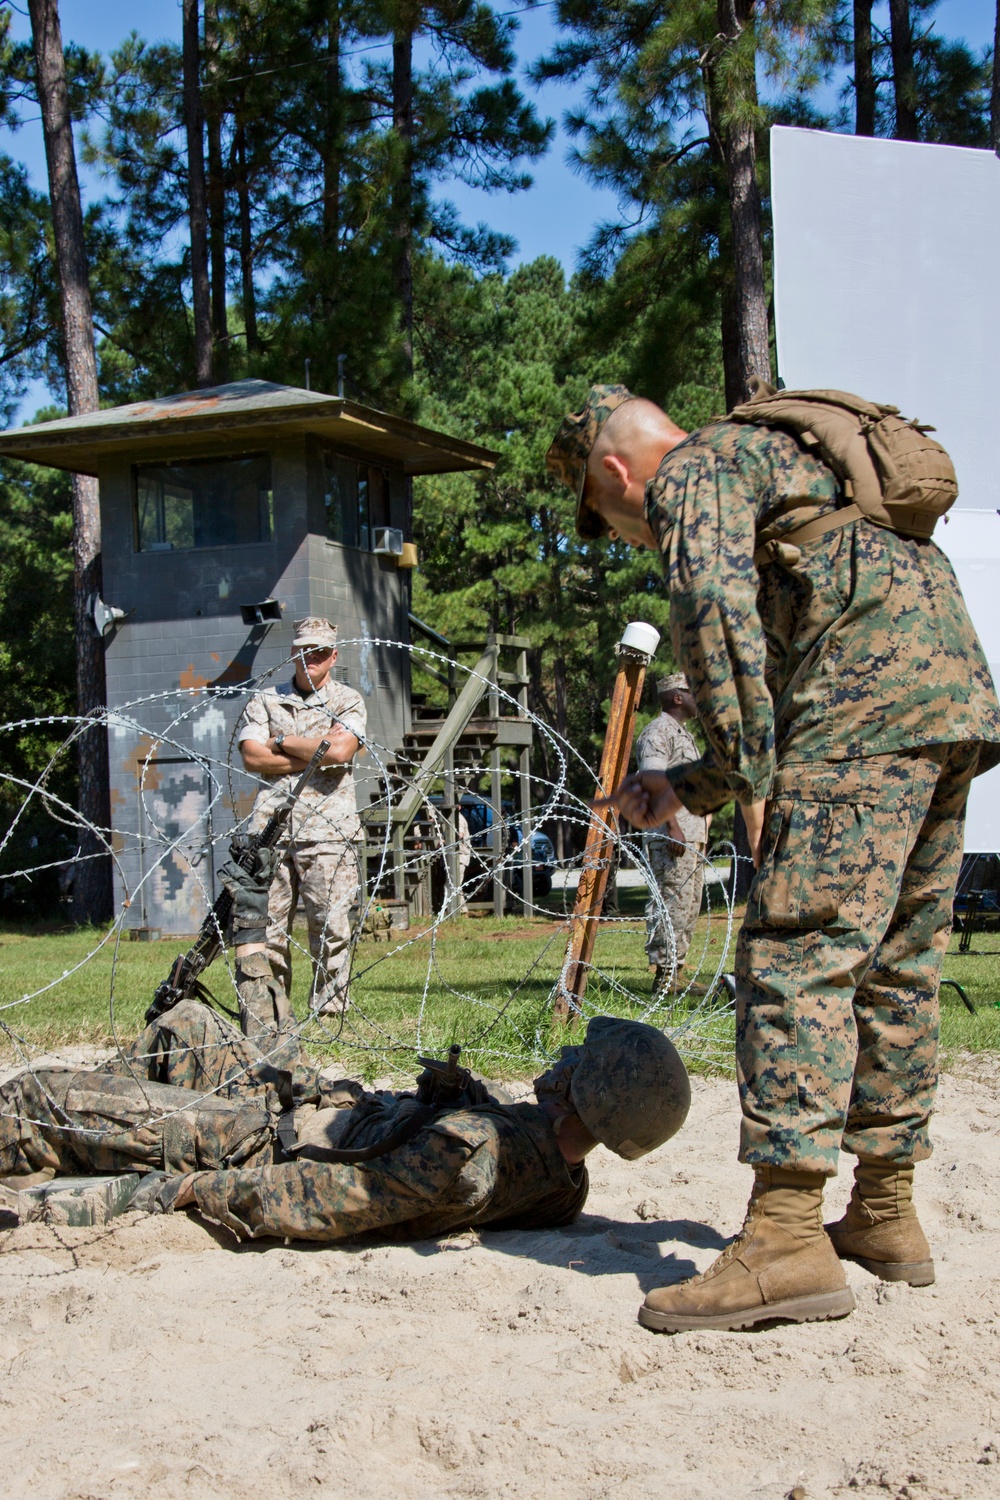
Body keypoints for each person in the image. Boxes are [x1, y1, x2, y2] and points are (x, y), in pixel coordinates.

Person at [546, 384, 1000, 1333]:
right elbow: (801, 623)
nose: (632, 534)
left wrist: (739, 771)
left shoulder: (694, 471)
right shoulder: (785, 459)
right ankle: (884, 1214)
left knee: (795, 956)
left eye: (613, 520)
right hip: (947, 700)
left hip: (859, 712)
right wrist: (697, 784)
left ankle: (787, 1239)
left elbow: (715, 616)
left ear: (614, 473)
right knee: (897, 966)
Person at [0, 1003, 691, 1245]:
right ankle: (106, 1134)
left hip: (258, 1141)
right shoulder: (564, 1181)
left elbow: (335, 1201)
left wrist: (192, 1190)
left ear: (587, 1094)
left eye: (579, 1060)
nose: (563, 1056)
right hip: (313, 1107)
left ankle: (95, 1146)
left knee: (36, 1101)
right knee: (187, 1029)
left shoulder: (472, 1152)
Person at [238, 617, 366, 1016]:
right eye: (303, 649)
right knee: (268, 932)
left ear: (333, 656)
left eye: (320, 651)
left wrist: (281, 742)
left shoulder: (347, 701)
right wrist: (313, 753)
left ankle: (329, 1013)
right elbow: (251, 757)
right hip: (271, 831)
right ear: (293, 651)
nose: (310, 657)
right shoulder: (265, 700)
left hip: (328, 831)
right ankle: (272, 1013)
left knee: (330, 928)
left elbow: (340, 752)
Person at [635, 673, 710, 992]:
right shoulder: (658, 732)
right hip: (672, 834)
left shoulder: (681, 733)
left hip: (689, 834)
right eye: (692, 692)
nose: (698, 698)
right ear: (677, 697)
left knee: (688, 903)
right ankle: (665, 975)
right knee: (671, 901)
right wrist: (673, 827)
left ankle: (676, 970)